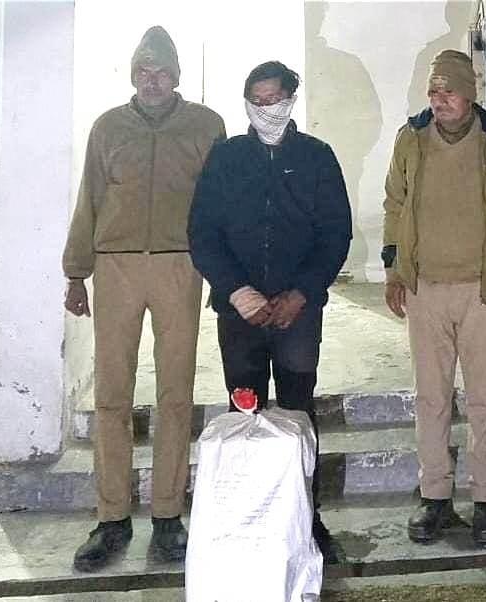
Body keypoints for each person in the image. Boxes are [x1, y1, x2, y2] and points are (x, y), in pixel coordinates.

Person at [62, 26, 225, 572]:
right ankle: (112, 518)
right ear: (132, 75)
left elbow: (219, 203)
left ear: (176, 77)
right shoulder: (108, 127)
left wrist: (223, 272)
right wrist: (76, 273)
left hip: (181, 265)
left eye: (161, 73)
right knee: (112, 394)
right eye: (143, 72)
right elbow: (89, 197)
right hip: (116, 267)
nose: (151, 81)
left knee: (175, 393)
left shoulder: (206, 126)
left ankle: (167, 516)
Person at [188, 61, 352, 563]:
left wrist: (300, 293)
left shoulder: (317, 157)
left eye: (274, 100)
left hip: (297, 313)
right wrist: (237, 291)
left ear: (291, 100)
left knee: (298, 410)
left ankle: (306, 516)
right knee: (245, 409)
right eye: (256, 102)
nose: (265, 110)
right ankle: (250, 515)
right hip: (240, 313)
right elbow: (202, 232)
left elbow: (335, 235)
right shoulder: (226, 158)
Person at [382, 50, 486, 547]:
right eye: (434, 90)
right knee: (431, 396)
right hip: (424, 288)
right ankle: (434, 497)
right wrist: (394, 271)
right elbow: (394, 203)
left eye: (448, 90)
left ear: (469, 92)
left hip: (483, 290)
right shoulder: (411, 138)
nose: (439, 99)